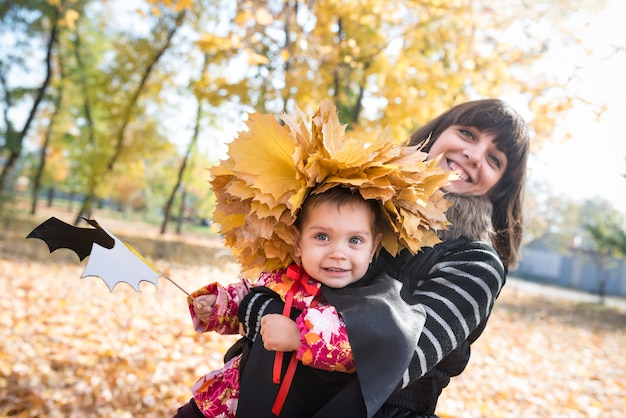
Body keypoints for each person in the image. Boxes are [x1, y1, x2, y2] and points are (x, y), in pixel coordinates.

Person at [236, 98, 530, 417]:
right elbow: (277, 287)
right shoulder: (357, 202)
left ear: (501, 186)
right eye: (468, 134)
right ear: (438, 132)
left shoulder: (476, 263)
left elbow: (393, 359)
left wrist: (288, 329)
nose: (473, 155)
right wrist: (250, 308)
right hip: (263, 392)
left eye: (494, 159)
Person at [173, 187, 427, 418]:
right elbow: (245, 298)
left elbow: (366, 349)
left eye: (355, 241)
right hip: (233, 399)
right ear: (297, 243)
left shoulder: (373, 300)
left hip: (301, 407)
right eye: (322, 237)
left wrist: (300, 337)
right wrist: (217, 305)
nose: (338, 253)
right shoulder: (280, 278)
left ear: (373, 248)